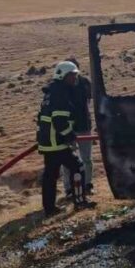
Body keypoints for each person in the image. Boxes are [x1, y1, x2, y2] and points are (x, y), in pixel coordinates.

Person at [37, 61, 89, 214]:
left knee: (50, 176)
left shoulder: (52, 91)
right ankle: (80, 201)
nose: (75, 79)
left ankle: (49, 208)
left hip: (47, 142)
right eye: (72, 76)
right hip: (56, 142)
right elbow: (59, 122)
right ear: (63, 76)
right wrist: (70, 137)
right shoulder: (61, 94)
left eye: (76, 75)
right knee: (78, 167)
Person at [62, 57, 94, 200]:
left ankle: (87, 185)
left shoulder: (85, 82)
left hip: (83, 125)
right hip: (68, 128)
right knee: (68, 160)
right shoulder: (62, 86)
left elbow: (93, 97)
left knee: (86, 158)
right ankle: (69, 189)